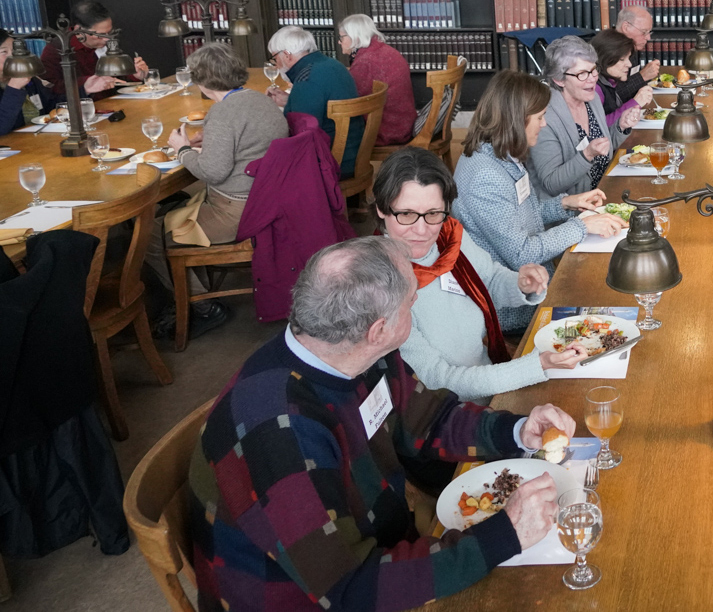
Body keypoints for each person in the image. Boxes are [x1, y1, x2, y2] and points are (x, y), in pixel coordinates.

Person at [189, 236, 574, 612]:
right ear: (378, 329)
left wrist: (515, 430)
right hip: (310, 595)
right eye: (411, 300)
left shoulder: (351, 350)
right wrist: (503, 535)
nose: (418, 300)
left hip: (378, 549)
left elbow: (428, 418)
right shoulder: (279, 431)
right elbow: (348, 589)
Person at [375, 147, 588, 401]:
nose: (421, 230)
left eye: (433, 213)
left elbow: (490, 279)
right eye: (407, 214)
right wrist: (535, 366)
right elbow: (438, 380)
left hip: (494, 378)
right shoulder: (379, 284)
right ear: (381, 209)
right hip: (453, 411)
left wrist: (520, 284)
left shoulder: (449, 237)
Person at [455, 70, 626, 333]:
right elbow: (521, 253)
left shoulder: (501, 153)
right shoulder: (485, 176)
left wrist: (567, 203)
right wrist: (582, 227)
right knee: (609, 292)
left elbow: (526, 213)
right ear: (516, 120)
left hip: (540, 277)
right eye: (540, 117)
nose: (544, 124)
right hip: (517, 302)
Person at [144, 42, 288, 339]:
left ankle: (204, 308)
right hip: (267, 202)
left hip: (236, 211)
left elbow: (212, 172)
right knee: (171, 212)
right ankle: (196, 293)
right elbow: (245, 142)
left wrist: (182, 148)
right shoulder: (261, 101)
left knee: (148, 237)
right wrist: (207, 142)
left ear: (200, 80)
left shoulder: (222, 113)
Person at [527, 35, 642, 197]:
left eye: (593, 70)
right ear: (559, 80)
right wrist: (587, 155)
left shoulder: (591, 99)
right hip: (569, 213)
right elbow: (551, 184)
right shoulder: (545, 116)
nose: (592, 79)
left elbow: (603, 148)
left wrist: (621, 127)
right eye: (582, 74)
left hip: (603, 192)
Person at [264, 25, 363, 177]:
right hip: (355, 152)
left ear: (287, 54)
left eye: (275, 58)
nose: (276, 64)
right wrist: (290, 100)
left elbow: (300, 136)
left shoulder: (306, 78)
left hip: (332, 162)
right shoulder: (333, 64)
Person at [39, 0, 149, 99]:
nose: (106, 39)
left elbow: (120, 79)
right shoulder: (56, 50)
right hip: (83, 111)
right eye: (99, 35)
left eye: (109, 32)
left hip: (113, 104)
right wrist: (86, 84)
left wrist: (135, 76)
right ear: (78, 30)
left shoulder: (108, 42)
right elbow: (50, 91)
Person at [341, 13, 416, 146]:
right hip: (403, 122)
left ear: (355, 37)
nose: (339, 42)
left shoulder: (365, 61)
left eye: (341, 37)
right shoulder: (386, 50)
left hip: (386, 130)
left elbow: (350, 100)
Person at [591, 28, 655, 127]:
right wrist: (635, 102)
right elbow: (599, 126)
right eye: (622, 59)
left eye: (628, 58)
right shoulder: (595, 88)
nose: (629, 64)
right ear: (605, 59)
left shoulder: (609, 81)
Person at [0, 29, 57, 134]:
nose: (12, 56)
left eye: (14, 51)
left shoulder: (30, 80)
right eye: (4, 52)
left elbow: (51, 106)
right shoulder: (16, 84)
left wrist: (84, 90)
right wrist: (13, 89)